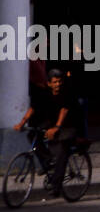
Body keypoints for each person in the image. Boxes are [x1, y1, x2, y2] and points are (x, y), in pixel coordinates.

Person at [12, 67, 79, 198]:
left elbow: (64, 110)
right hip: (52, 122)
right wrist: (21, 123)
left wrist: (56, 128)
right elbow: (34, 108)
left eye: (59, 81)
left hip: (69, 125)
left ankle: (56, 186)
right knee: (32, 134)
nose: (58, 84)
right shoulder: (45, 93)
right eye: (54, 82)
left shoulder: (67, 92)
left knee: (60, 151)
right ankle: (47, 160)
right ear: (49, 83)